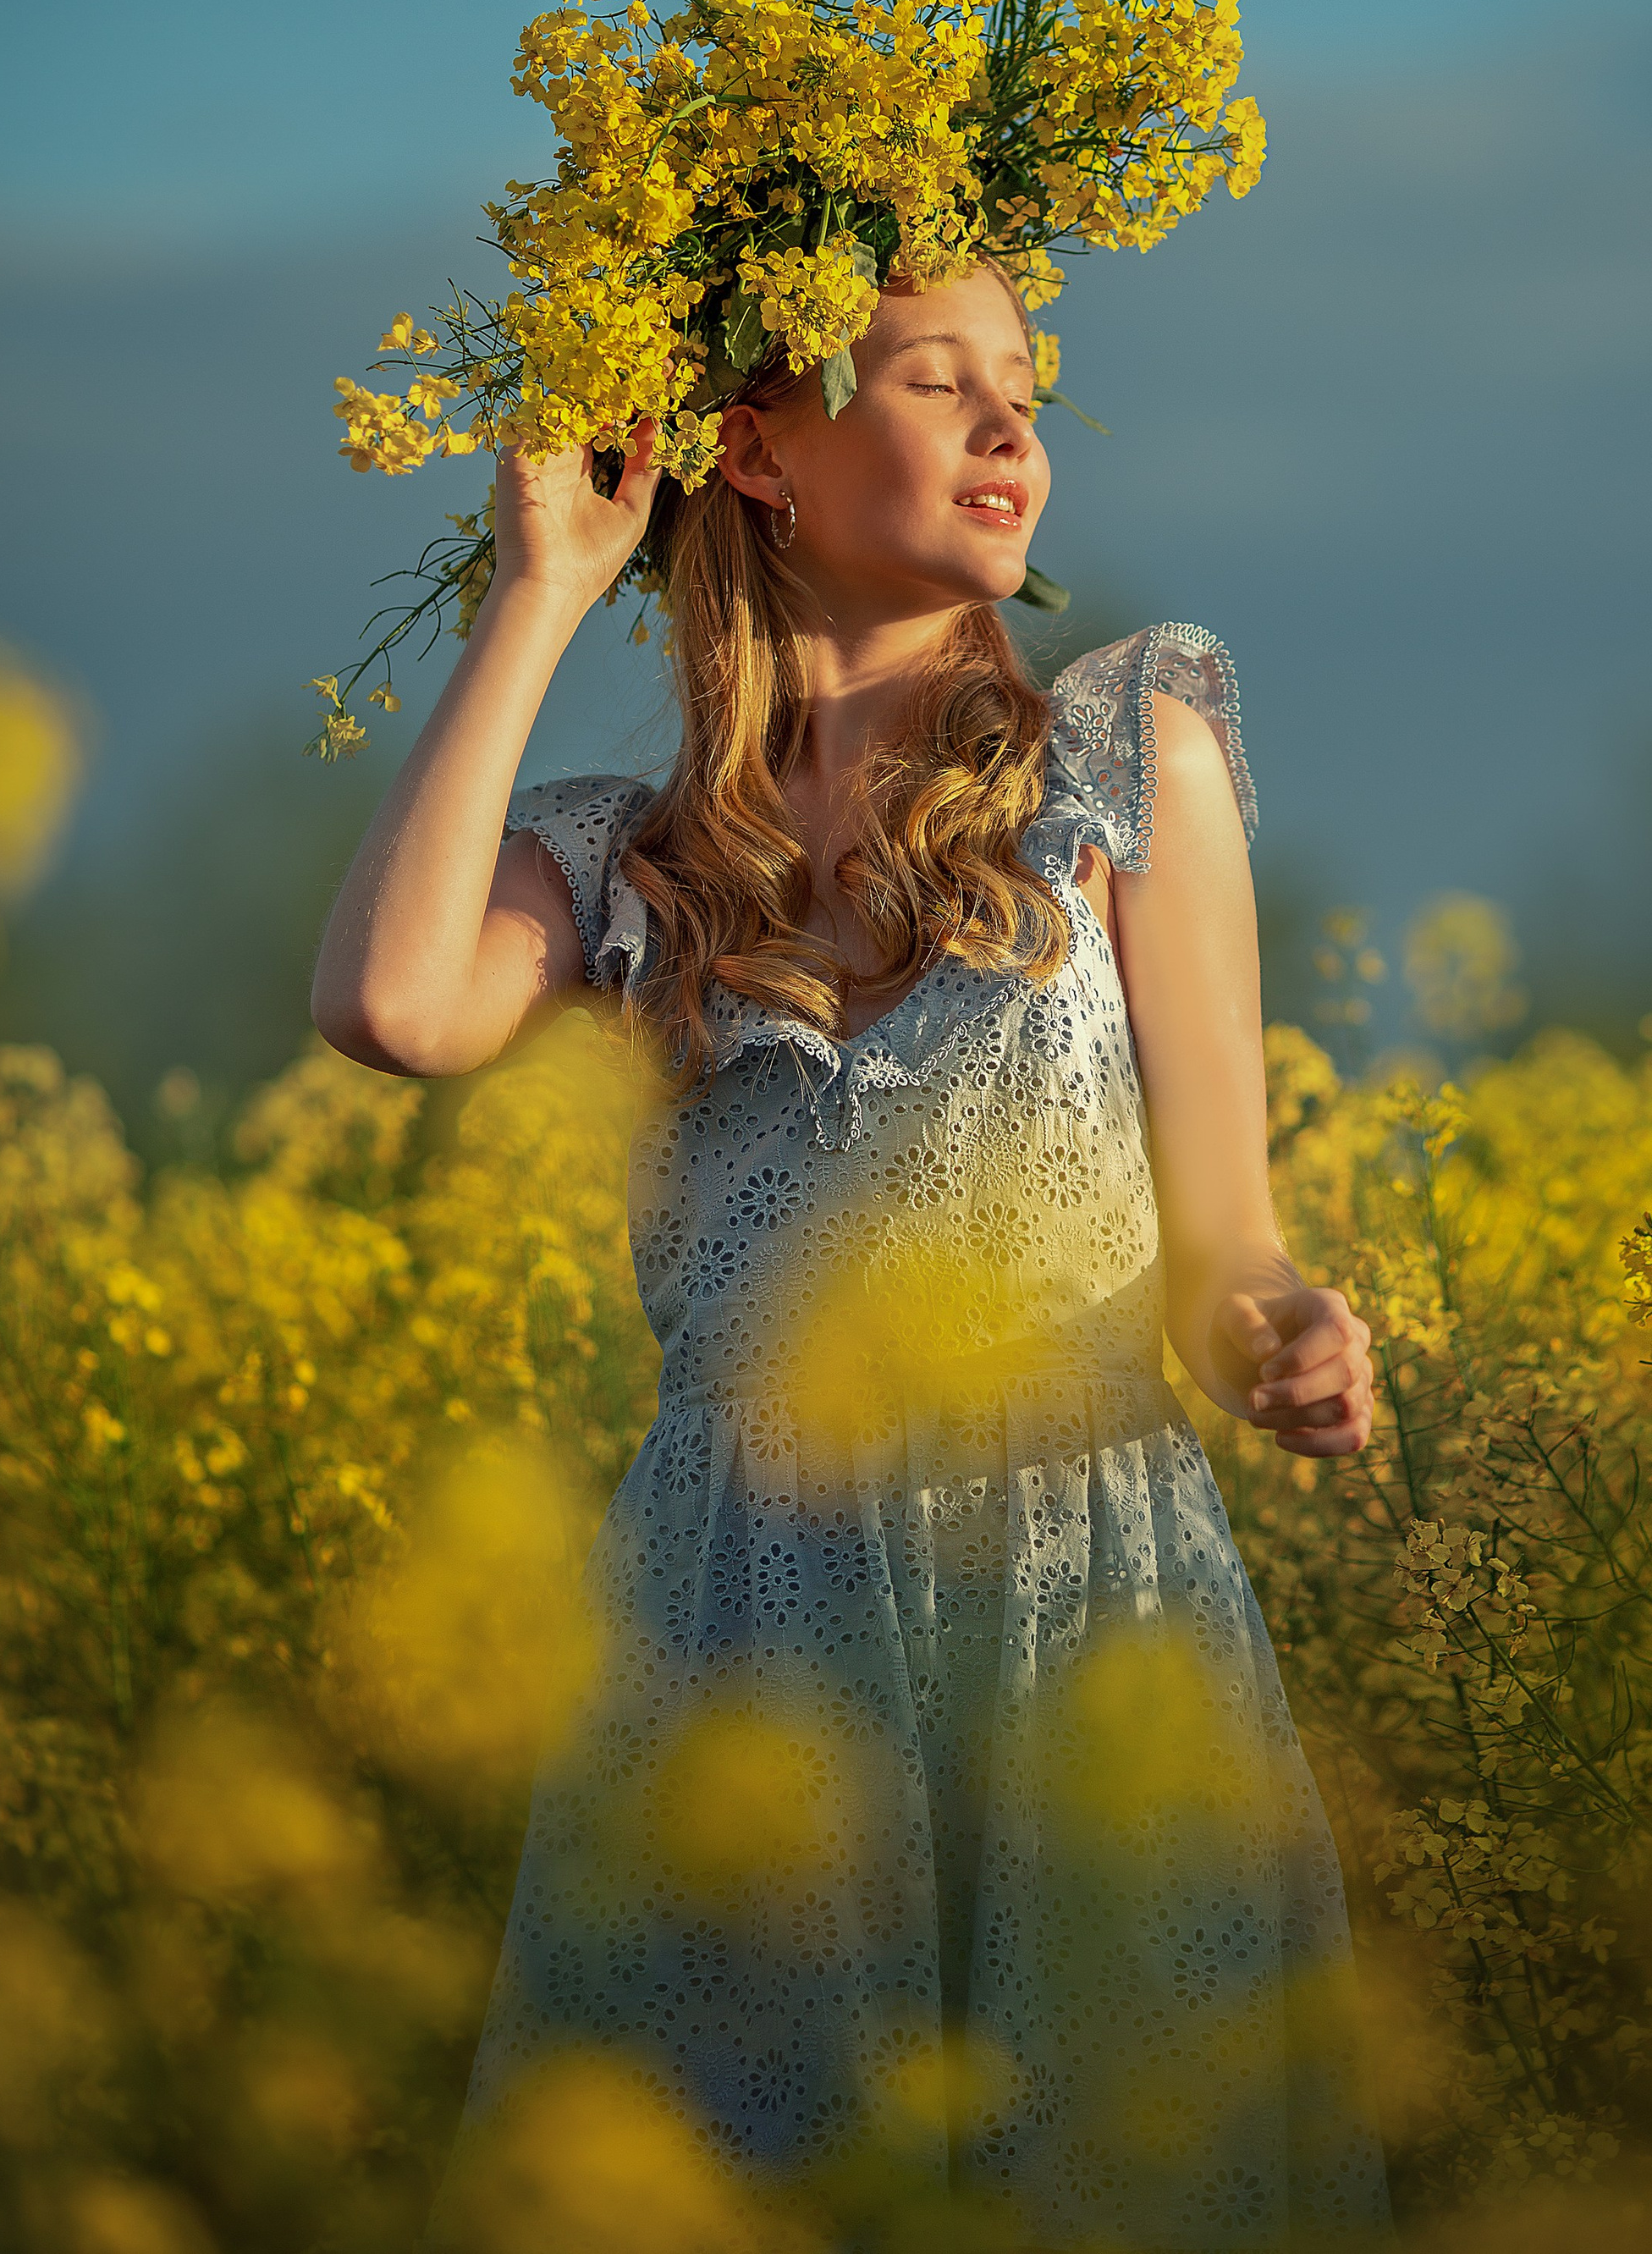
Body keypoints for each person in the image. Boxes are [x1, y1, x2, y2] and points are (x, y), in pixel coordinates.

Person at [313, 261, 1391, 2248]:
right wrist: (540, 584)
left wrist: (1283, 1334)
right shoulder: (623, 857)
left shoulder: (1117, 757)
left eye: (1023, 388)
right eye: (931, 378)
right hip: (735, 1632)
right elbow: (389, 1005)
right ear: (758, 451)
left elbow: (1222, 1241)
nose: (1010, 428)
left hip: (1070, 1584)